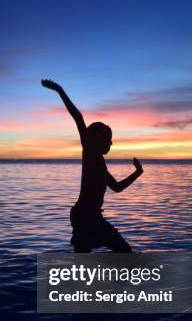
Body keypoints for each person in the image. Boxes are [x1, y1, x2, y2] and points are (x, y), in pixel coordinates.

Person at [41, 79, 143, 252]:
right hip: (86, 217)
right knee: (124, 252)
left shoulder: (100, 164)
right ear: (95, 139)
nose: (111, 142)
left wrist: (138, 172)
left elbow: (117, 187)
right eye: (107, 138)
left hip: (89, 216)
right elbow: (78, 117)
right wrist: (59, 90)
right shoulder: (89, 151)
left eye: (111, 139)